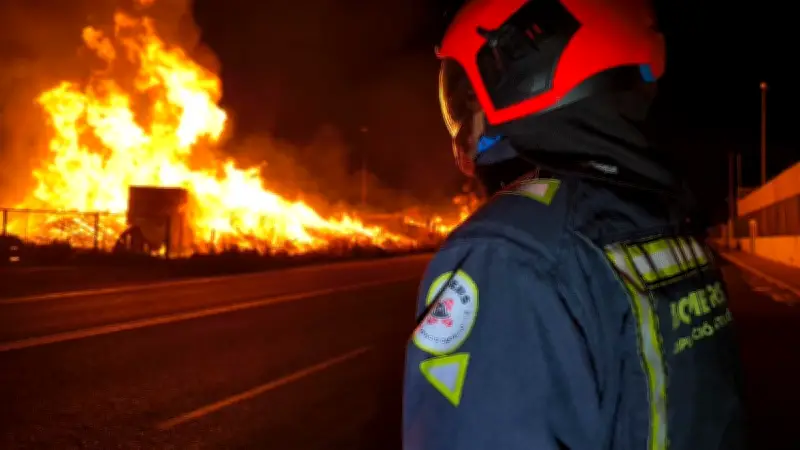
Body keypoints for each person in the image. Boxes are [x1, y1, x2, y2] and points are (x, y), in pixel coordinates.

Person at [402, 0, 747, 449]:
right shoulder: (663, 221)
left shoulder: (509, 253)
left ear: (522, 72)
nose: (464, 116)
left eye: (466, 94)